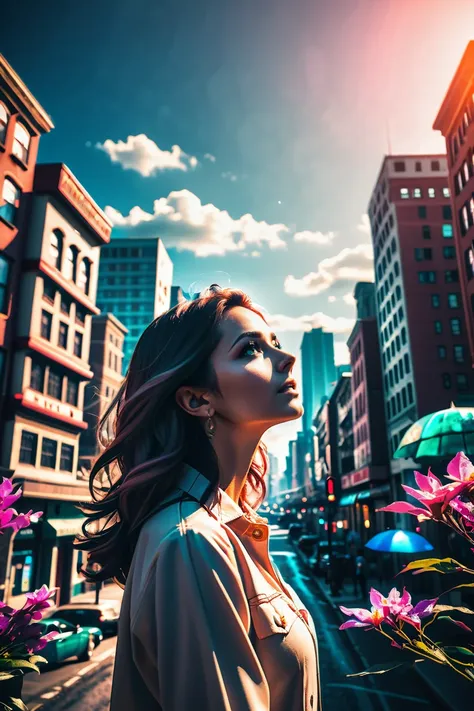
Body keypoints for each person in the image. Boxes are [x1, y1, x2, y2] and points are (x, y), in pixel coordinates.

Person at [74, 286, 321, 711]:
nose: (286, 358)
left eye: (275, 343)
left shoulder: (230, 527)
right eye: (250, 350)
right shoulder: (193, 543)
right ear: (197, 399)